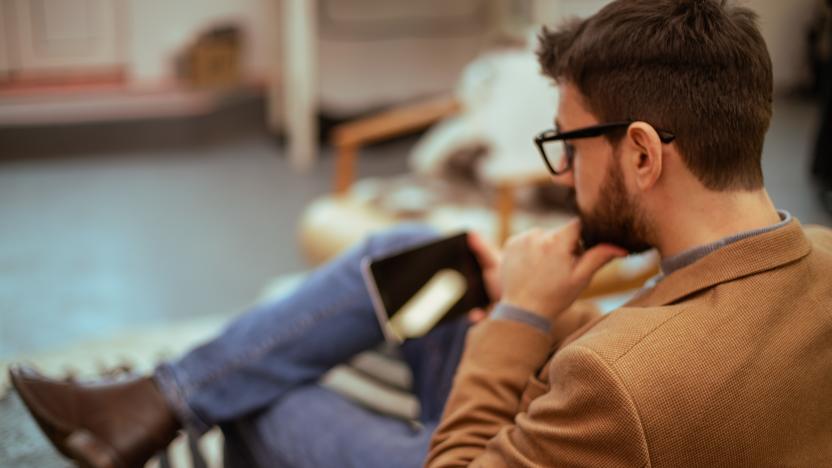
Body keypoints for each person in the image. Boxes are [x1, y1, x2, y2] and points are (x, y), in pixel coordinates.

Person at [9, 0, 832, 466]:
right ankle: (157, 401)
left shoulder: (614, 381)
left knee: (270, 405)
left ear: (644, 152)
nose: (559, 174)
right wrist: (548, 309)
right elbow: (679, 354)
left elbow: (623, 390)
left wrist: (520, 325)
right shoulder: (821, 256)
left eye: (566, 144)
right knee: (404, 259)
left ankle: (175, 404)